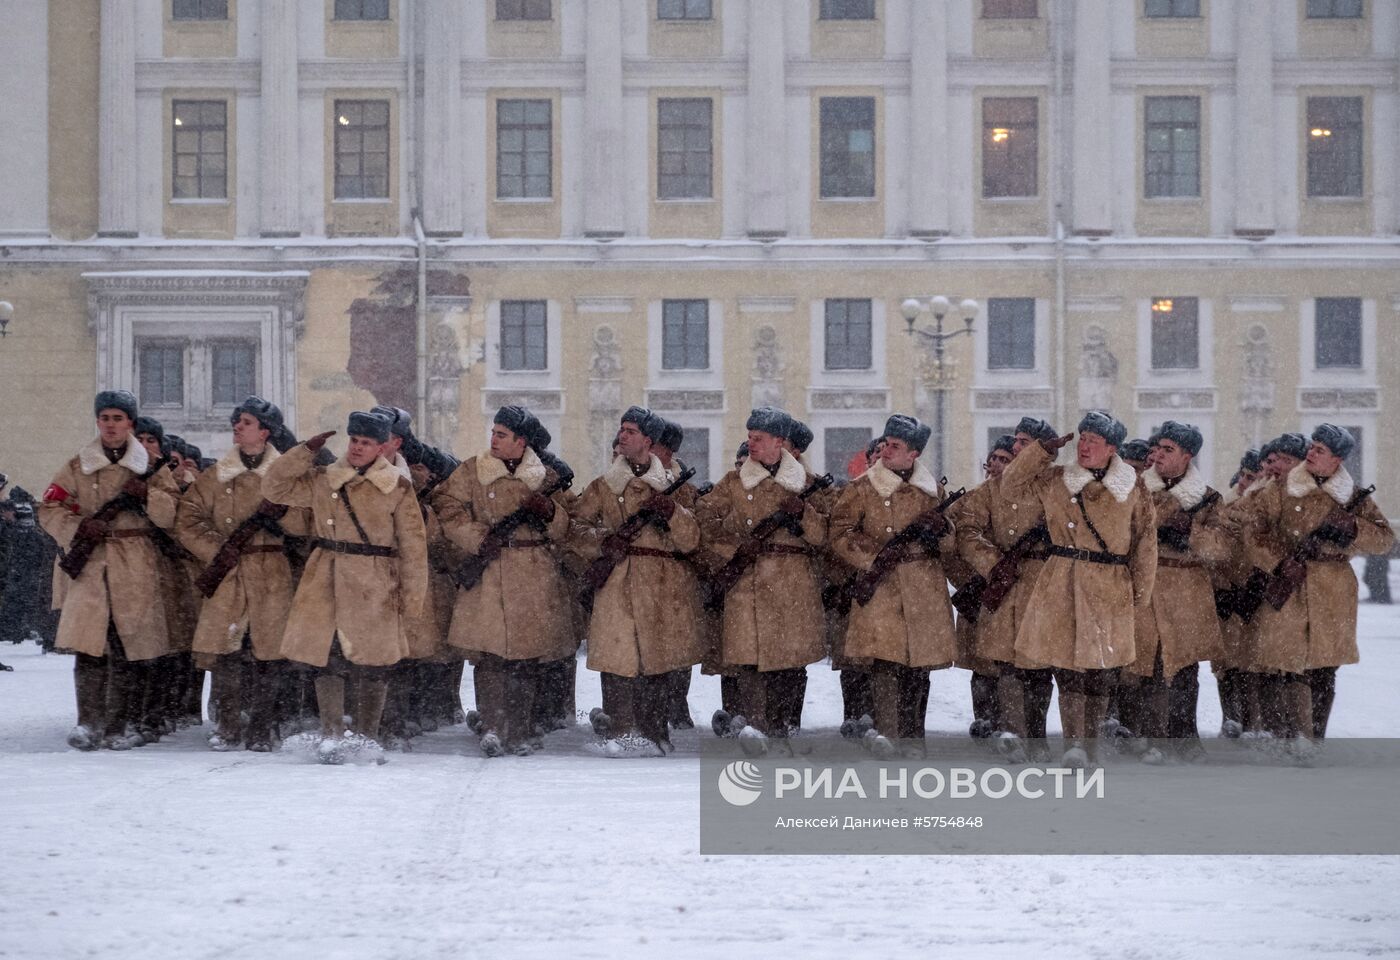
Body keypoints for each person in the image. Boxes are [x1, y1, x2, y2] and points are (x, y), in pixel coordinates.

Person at [263, 411, 428, 763]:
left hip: (375, 582)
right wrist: (305, 451)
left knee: (373, 663)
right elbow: (273, 486)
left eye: (366, 443)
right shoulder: (325, 479)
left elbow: (414, 547)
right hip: (326, 576)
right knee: (328, 659)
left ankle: (367, 737)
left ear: (382, 447)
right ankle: (331, 733)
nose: (357, 448)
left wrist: (412, 599)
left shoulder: (398, 487)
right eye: (354, 440)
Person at [999, 410, 1157, 767]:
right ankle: (1073, 745)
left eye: (1094, 441)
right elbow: (1011, 485)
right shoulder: (1057, 479)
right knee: (1067, 666)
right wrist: (1040, 451)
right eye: (1082, 438)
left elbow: (1146, 542)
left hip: (1110, 582)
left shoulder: (1133, 486)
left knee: (1101, 669)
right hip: (1064, 580)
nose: (1084, 446)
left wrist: (1140, 592)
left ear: (1112, 448)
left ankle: (1091, 746)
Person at [1231, 424, 1393, 756]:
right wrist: (1278, 562)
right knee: (1289, 662)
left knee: (1324, 665)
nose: (1312, 452)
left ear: (1337, 459)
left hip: (1332, 588)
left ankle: (1314, 736)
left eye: (1320, 449)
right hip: (1289, 582)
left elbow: (1384, 539)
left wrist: (1352, 528)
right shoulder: (1282, 488)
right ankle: (1295, 736)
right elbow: (1254, 530)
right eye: (1312, 446)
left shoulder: (1353, 496)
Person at [39, 390, 182, 750]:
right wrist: (79, 528)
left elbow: (172, 515)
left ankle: (121, 724)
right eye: (105, 418)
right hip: (90, 564)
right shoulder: (78, 465)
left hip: (134, 561)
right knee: (89, 646)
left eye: (119, 419)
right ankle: (88, 722)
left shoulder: (150, 467)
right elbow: (50, 507)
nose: (111, 425)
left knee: (129, 645)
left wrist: (147, 496)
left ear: (130, 423)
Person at [431, 405, 574, 757]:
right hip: (489, 566)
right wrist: (477, 538)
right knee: (489, 655)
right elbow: (446, 506)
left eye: (502, 435)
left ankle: (520, 729)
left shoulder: (545, 477)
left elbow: (569, 525)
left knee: (527, 657)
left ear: (521, 441)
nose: (493, 440)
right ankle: (494, 726)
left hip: (533, 569)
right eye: (493, 433)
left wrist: (550, 512)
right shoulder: (473, 471)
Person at [572, 407, 705, 755]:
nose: (623, 436)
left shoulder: (678, 490)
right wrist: (605, 539)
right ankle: (621, 732)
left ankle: (655, 733)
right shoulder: (602, 486)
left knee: (656, 661)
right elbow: (575, 530)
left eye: (631, 431)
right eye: (622, 430)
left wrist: (673, 513)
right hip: (617, 578)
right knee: (618, 660)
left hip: (662, 583)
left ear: (648, 441)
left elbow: (692, 540)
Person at [176, 397, 304, 752]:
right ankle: (229, 725)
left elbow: (308, 521)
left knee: (269, 655)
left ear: (265, 431)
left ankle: (262, 726)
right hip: (229, 570)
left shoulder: (288, 477)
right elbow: (188, 520)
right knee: (227, 653)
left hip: (272, 570)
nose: (237, 426)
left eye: (245, 422)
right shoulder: (215, 475)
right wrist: (219, 549)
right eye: (236, 421)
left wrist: (279, 516)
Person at [696, 407, 827, 754]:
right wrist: (736, 549)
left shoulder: (807, 486)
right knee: (750, 659)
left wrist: (805, 515)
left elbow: (824, 536)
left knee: (787, 660)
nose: (751, 444)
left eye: (759, 438)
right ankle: (755, 726)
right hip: (747, 579)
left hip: (791, 580)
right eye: (750, 437)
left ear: (779, 443)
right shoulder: (733, 483)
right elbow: (704, 523)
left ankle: (782, 727)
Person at [829, 415, 957, 757]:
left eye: (895, 446)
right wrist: (874, 557)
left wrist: (940, 530)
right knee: (885, 665)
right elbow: (840, 534)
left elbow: (951, 543)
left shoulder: (934, 491)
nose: (886, 450)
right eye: (885, 443)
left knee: (919, 667)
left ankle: (914, 737)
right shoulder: (860, 489)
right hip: (882, 586)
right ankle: (888, 733)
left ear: (913, 454)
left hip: (923, 587)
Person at [1126, 421, 1230, 763]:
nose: (1158, 455)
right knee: (1148, 667)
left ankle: (1186, 737)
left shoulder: (1209, 498)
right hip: (1149, 585)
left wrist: (1191, 533)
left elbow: (1223, 548)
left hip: (1187, 591)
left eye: (1168, 450)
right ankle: (1152, 736)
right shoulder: (1137, 490)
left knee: (1185, 668)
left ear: (1188, 455)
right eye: (1158, 448)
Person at [651, 417, 706, 732]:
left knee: (679, 644)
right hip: (645, 573)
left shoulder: (685, 489)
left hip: (676, 574)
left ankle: (677, 702)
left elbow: (695, 533)